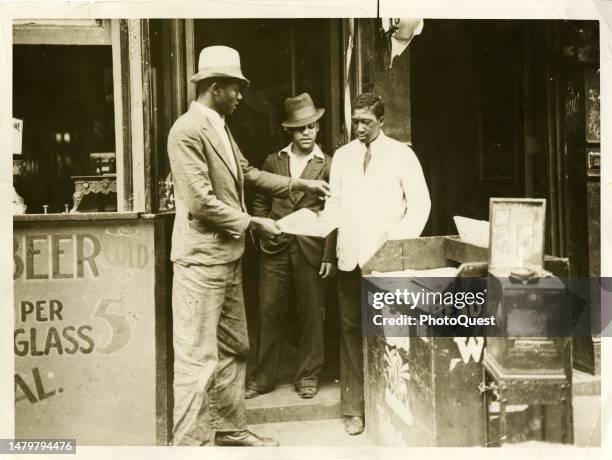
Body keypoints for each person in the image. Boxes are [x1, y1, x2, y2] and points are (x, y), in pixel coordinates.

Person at [167, 45, 329, 447]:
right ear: (215, 87)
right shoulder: (186, 130)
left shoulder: (219, 126)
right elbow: (202, 202)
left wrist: (301, 183)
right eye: (236, 88)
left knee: (234, 347)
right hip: (201, 263)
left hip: (228, 258)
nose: (241, 96)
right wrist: (255, 221)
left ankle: (230, 427)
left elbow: (248, 173)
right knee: (196, 360)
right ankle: (190, 445)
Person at [321, 93, 431, 435]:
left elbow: (420, 206)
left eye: (366, 121)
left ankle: (388, 405)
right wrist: (326, 242)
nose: (359, 128)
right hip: (350, 258)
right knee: (351, 328)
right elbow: (334, 205)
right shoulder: (342, 156)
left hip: (386, 261)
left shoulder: (402, 156)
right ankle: (355, 409)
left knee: (388, 333)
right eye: (355, 121)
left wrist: (394, 244)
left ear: (382, 121)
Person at [245, 93, 336, 400]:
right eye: (300, 128)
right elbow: (259, 197)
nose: (306, 132)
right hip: (276, 245)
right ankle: (263, 378)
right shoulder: (274, 161)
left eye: (311, 126)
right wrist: (261, 228)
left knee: (312, 313)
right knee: (269, 310)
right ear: (289, 131)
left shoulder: (328, 164)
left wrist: (328, 253)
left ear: (318, 127)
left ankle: (308, 376)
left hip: (310, 248)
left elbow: (335, 213)